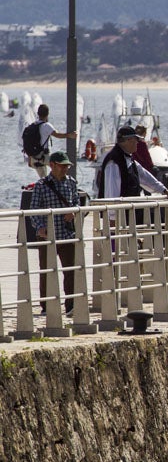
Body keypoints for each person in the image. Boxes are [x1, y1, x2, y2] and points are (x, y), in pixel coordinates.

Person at [28, 151, 80, 313]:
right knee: (47, 272)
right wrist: (40, 228)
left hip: (66, 234)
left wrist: (74, 211)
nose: (65, 169)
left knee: (70, 271)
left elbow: (78, 203)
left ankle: (71, 305)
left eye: (67, 166)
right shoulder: (41, 185)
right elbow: (34, 209)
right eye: (62, 166)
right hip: (47, 236)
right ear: (52, 166)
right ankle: (47, 306)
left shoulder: (71, 182)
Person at [22, 103, 76, 180]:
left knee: (44, 180)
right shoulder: (46, 125)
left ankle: (48, 188)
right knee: (63, 165)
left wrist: (30, 159)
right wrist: (69, 135)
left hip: (34, 158)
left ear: (38, 113)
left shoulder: (33, 125)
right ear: (48, 114)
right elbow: (57, 135)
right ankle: (62, 186)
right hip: (44, 157)